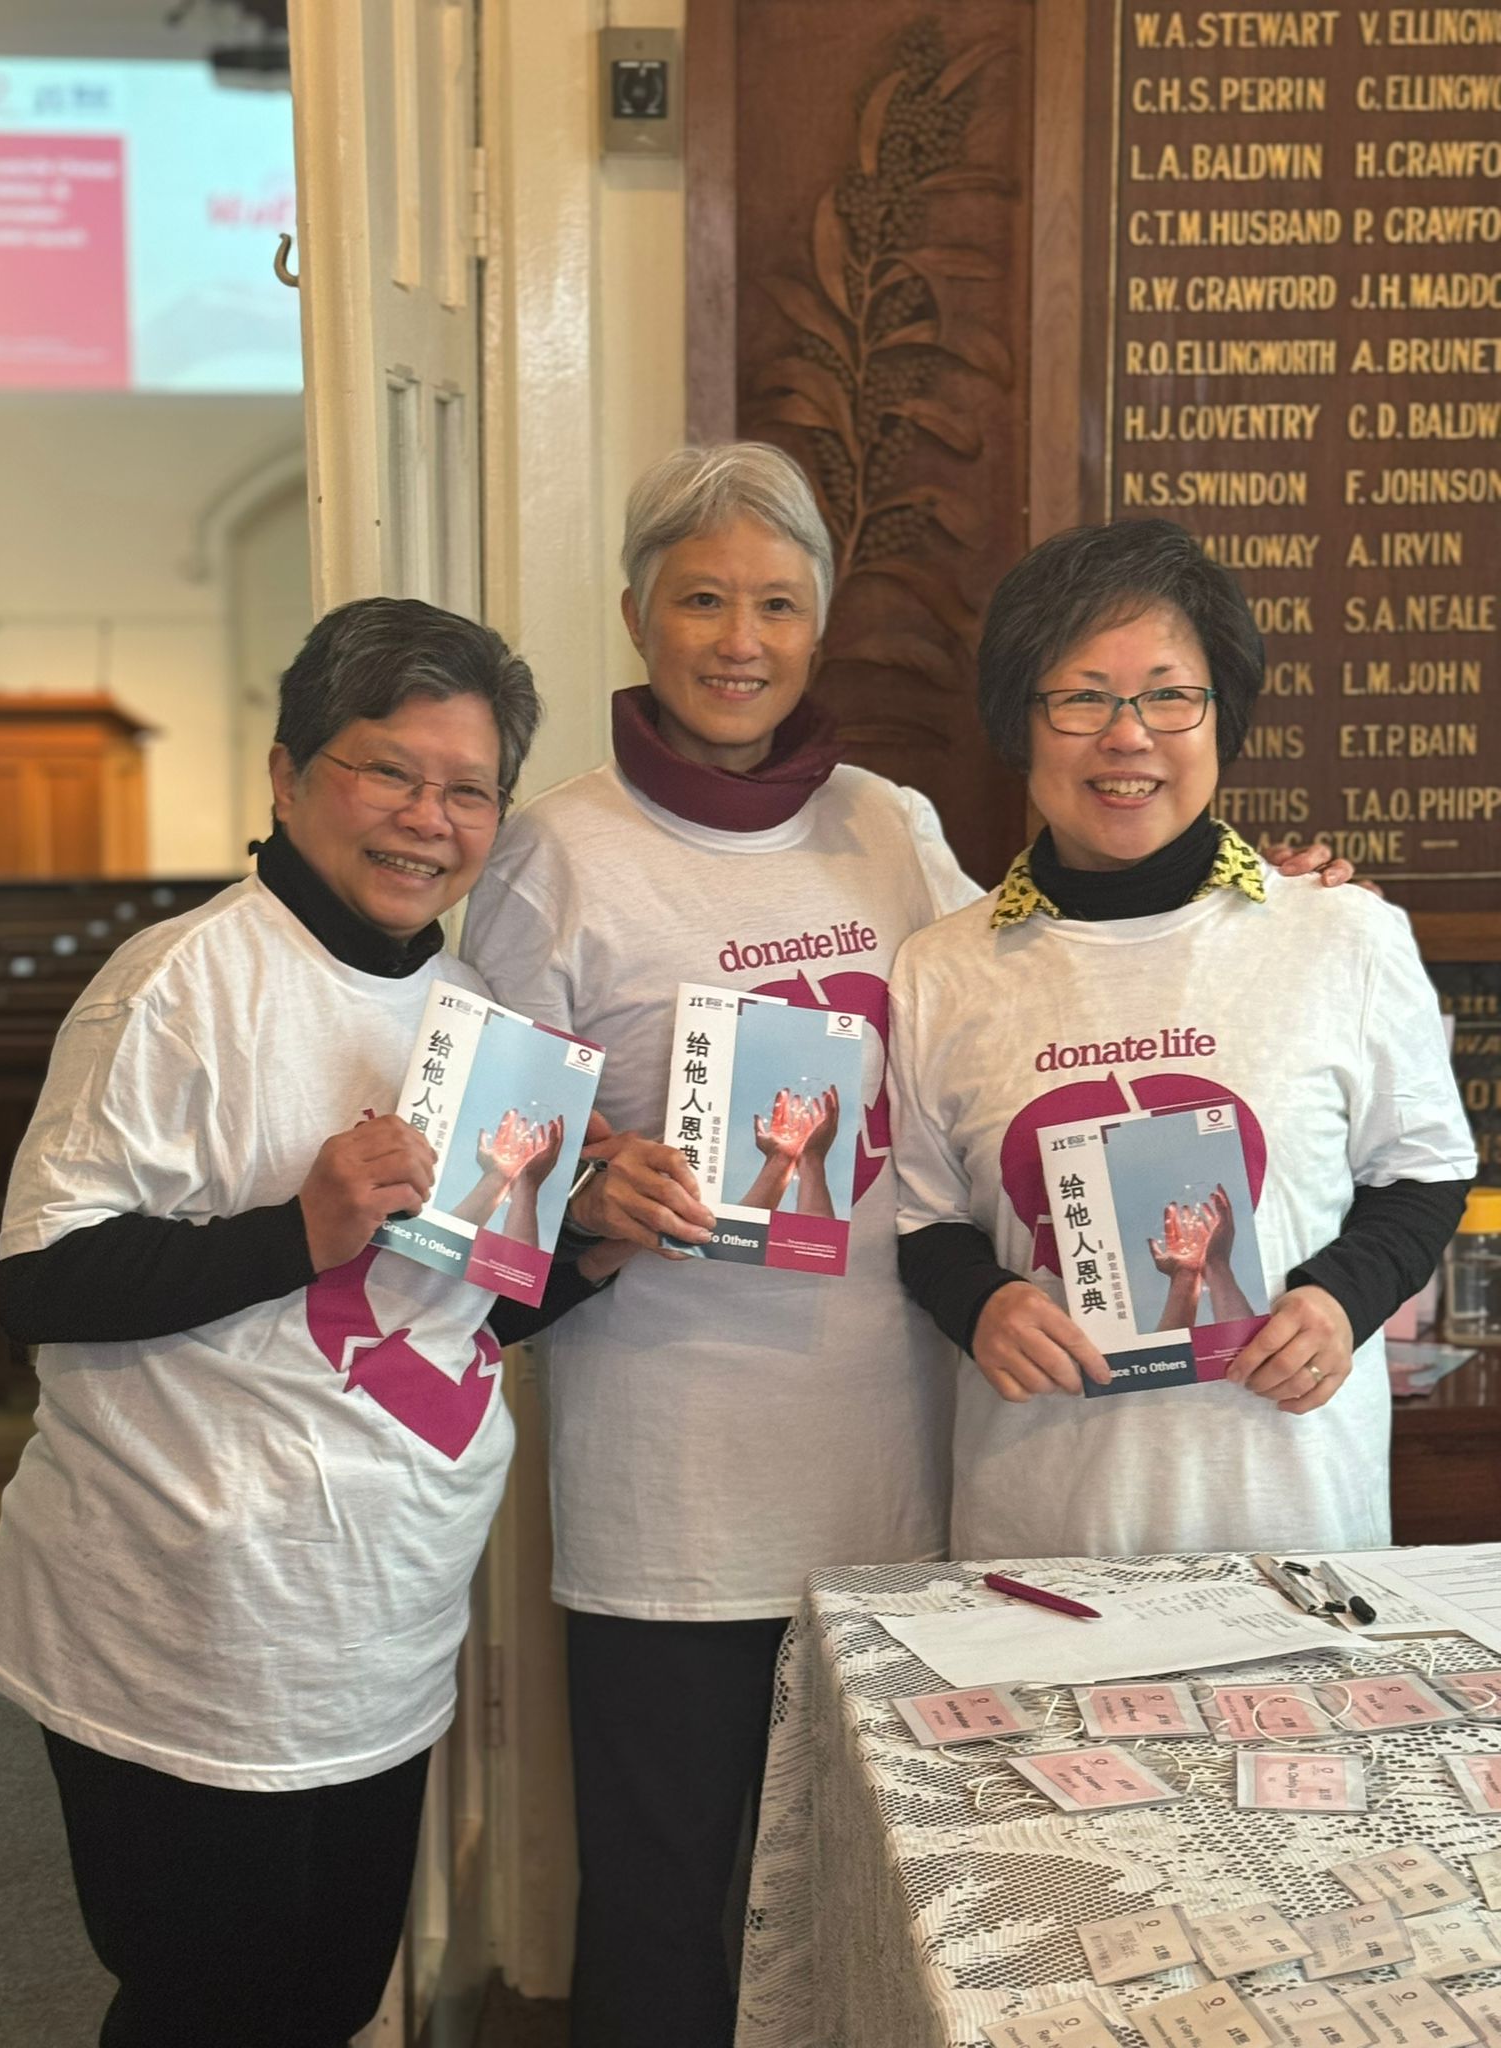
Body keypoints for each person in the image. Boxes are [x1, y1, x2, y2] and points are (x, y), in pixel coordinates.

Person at [459, 449, 1354, 2047]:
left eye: (779, 604)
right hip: (675, 1477)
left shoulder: (892, 827)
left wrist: (1256, 902)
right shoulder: (556, 851)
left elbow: (1051, 982)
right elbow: (488, 1182)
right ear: (636, 615)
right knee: (669, 1902)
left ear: (822, 631)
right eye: (703, 599)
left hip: (914, 1460)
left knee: (890, 1887)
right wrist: (592, 1192)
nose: (742, 638)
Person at [0, 598, 624, 2048]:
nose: (425, 819)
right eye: (389, 771)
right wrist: (296, 1230)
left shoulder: (474, 1019)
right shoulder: (178, 984)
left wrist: (590, 1254)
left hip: (375, 1623)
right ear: (284, 774)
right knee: (207, 2008)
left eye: (467, 791)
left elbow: (459, 1317)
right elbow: (41, 1284)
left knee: (324, 1999)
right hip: (186, 1627)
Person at [888, 518, 1476, 1560]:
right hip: (1039, 1528)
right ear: (1019, 722)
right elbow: (925, 1219)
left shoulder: (1342, 934)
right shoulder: (944, 968)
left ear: (1222, 717)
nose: (1128, 736)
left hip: (1291, 1520)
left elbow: (1424, 1170)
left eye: (1169, 693)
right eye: (1081, 696)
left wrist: (1343, 1301)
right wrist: (977, 1302)